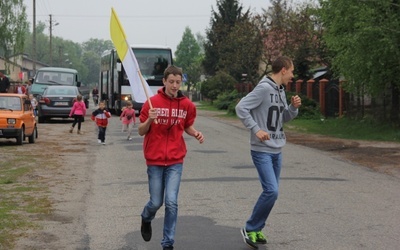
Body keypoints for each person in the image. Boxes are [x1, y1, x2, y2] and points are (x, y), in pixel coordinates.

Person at [235, 56, 302, 249]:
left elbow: (282, 119)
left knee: (272, 192)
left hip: (276, 149)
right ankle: (250, 227)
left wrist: (293, 108)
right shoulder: (264, 88)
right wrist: (256, 129)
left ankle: (256, 230)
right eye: (292, 71)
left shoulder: (280, 91)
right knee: (271, 191)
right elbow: (241, 108)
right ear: (283, 70)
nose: (292, 75)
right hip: (261, 150)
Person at [138, 65, 204, 250]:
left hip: (175, 160)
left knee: (172, 202)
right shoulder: (151, 103)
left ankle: (168, 243)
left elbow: (187, 126)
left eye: (178, 82)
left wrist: (196, 133)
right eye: (171, 82)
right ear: (164, 82)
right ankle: (146, 217)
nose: (175, 85)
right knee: (156, 202)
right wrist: (150, 119)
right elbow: (141, 131)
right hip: (155, 160)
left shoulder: (187, 105)